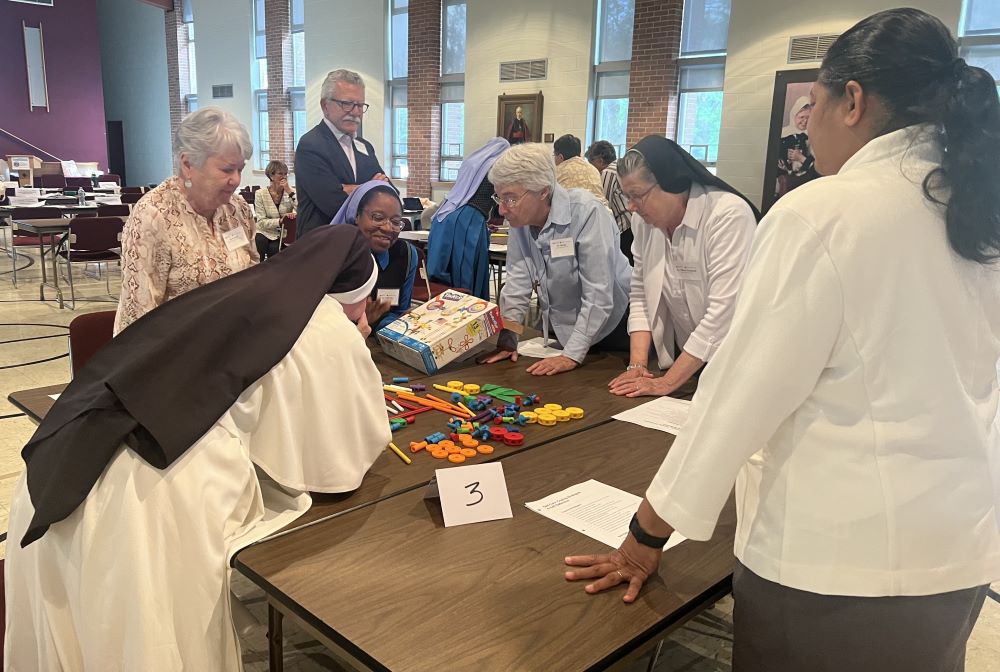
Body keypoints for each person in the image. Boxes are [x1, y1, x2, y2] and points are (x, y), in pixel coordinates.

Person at [564, 9, 1000, 672]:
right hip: (957, 544)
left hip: (840, 561)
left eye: (811, 106)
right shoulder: (973, 206)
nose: (807, 125)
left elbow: (740, 398)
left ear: (852, 100)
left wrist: (645, 534)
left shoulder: (825, 211)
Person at [5, 225, 390, 671]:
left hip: (68, 460)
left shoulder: (242, 290)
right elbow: (342, 460)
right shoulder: (324, 323)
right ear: (353, 291)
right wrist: (354, 346)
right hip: (148, 499)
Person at [607, 136, 758, 398]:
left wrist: (666, 383)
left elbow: (723, 313)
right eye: (626, 196)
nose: (631, 206)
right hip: (692, 362)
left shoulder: (727, 216)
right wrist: (637, 366)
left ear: (671, 183)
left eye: (637, 195)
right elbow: (641, 294)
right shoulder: (644, 224)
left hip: (742, 363)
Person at [478, 143, 631, 376]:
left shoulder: (587, 212)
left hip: (613, 331)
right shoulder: (521, 220)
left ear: (543, 190)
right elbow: (518, 281)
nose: (501, 210)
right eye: (498, 197)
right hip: (566, 332)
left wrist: (571, 355)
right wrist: (508, 340)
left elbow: (599, 293)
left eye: (509, 198)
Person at [114, 107, 258, 335]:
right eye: (227, 169)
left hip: (236, 344)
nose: (236, 180)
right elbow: (138, 318)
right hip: (178, 353)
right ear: (188, 164)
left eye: (240, 169)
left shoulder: (237, 209)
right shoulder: (153, 216)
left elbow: (253, 280)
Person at [295, 69, 390, 237]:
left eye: (360, 105)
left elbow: (389, 193)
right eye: (347, 103)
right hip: (321, 247)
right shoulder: (311, 145)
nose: (355, 112)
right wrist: (369, 188)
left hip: (359, 247)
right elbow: (333, 203)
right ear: (325, 106)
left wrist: (353, 189)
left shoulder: (365, 147)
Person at [427, 138, 510, 301]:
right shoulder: (496, 167)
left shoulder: (473, 162)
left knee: (445, 273)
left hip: (447, 214)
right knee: (467, 275)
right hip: (469, 220)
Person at [331, 180, 417, 331]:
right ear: (356, 215)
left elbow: (397, 312)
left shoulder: (406, 255)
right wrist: (359, 321)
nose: (388, 228)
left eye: (396, 221)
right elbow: (317, 321)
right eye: (378, 218)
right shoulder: (336, 256)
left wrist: (401, 322)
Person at [586, 140, 632, 263]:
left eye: (591, 163)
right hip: (634, 224)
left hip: (625, 227)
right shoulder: (622, 166)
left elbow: (604, 205)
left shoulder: (608, 172)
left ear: (600, 160)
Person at [775, 95, 819, 199]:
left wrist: (800, 158)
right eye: (801, 117)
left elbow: (816, 166)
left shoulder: (814, 136)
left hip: (805, 184)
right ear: (794, 115)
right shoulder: (783, 133)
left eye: (808, 118)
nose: (804, 121)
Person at [254, 159, 296, 260]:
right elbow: (261, 222)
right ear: (271, 176)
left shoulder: (291, 192)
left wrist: (289, 191)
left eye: (286, 174)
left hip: (283, 233)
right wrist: (279, 221)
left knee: (274, 249)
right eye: (280, 173)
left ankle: (274, 273)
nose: (284, 177)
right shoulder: (260, 194)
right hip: (264, 231)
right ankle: (258, 271)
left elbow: (301, 209)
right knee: (259, 242)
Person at [553, 134, 606, 204]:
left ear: (560, 157)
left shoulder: (558, 171)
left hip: (575, 212)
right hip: (602, 212)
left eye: (554, 155)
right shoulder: (593, 169)